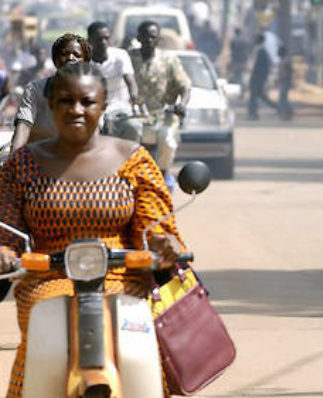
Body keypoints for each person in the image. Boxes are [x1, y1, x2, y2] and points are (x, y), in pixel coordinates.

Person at [0, 62, 185, 398]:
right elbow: (7, 232)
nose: (76, 110)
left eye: (87, 102)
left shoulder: (136, 160)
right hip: (46, 278)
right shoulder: (21, 165)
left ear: (103, 106)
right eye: (66, 101)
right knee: (42, 346)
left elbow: (154, 226)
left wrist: (164, 243)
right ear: (51, 105)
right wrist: (5, 253)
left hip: (123, 277)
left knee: (142, 355)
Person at [129, 20, 191, 192]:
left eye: (153, 37)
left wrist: (182, 105)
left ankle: (162, 174)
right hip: (135, 115)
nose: (149, 40)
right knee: (124, 137)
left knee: (166, 138)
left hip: (163, 114)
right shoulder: (129, 58)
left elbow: (184, 86)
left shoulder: (169, 60)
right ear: (138, 38)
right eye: (145, 36)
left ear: (158, 40)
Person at [11, 33, 92, 151]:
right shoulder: (35, 89)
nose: (70, 58)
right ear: (55, 60)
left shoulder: (92, 93)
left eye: (76, 55)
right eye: (64, 54)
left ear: (85, 63)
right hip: (39, 156)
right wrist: (14, 161)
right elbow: (23, 127)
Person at [87, 21, 140, 141]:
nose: (103, 42)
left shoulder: (120, 56)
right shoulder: (85, 62)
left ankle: (132, 158)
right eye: (99, 39)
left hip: (120, 108)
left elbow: (130, 81)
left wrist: (133, 95)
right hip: (95, 110)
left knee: (134, 127)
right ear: (89, 40)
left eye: (106, 38)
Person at [247, 33, 278, 120]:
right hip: (258, 78)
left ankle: (252, 114)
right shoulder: (260, 51)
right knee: (261, 96)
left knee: (254, 96)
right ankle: (277, 108)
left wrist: (261, 79)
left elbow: (261, 68)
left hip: (257, 79)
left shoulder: (261, 52)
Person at [277, 45, 293, 120]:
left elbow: (286, 72)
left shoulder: (286, 60)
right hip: (285, 81)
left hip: (285, 81)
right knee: (283, 98)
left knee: (283, 98)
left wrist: (282, 78)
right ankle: (287, 112)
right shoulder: (285, 59)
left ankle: (287, 113)